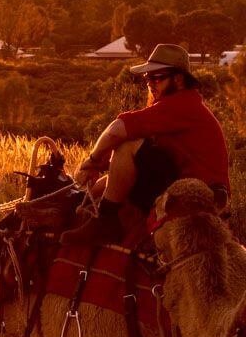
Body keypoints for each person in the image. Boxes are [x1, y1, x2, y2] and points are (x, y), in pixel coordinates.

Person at [60, 43, 230, 245]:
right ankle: (91, 208)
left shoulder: (182, 104)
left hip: (199, 194)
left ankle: (105, 223)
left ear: (178, 79)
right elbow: (125, 172)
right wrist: (85, 195)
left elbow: (117, 129)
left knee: (127, 144)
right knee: (132, 151)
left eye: (157, 77)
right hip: (192, 186)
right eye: (147, 77)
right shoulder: (180, 107)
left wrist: (91, 162)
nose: (150, 83)